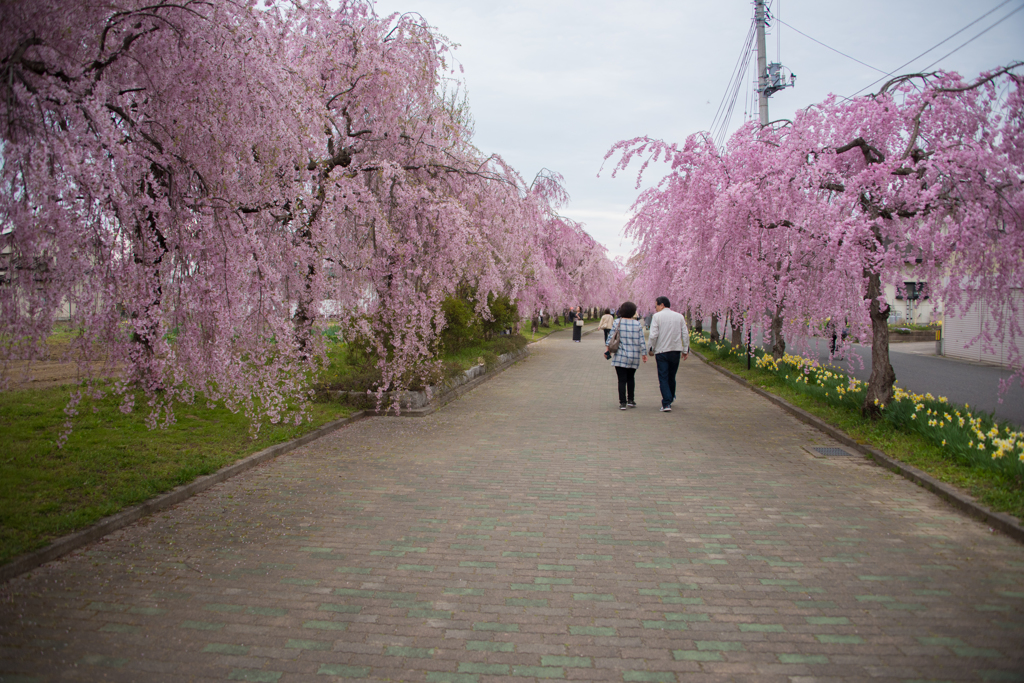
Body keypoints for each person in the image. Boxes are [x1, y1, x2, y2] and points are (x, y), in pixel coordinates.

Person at [648, 296, 689, 412]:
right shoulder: (679, 316)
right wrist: (685, 350)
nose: (655, 308)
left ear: (662, 305)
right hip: (675, 350)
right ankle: (670, 397)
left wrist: (651, 348)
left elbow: (653, 335)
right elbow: (685, 334)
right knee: (672, 376)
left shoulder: (657, 317)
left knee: (663, 377)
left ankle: (666, 403)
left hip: (661, 351)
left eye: (656, 305)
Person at [606, 301, 647, 409]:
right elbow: (641, 340)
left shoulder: (617, 322)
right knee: (631, 378)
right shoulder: (637, 324)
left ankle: (622, 403)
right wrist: (644, 353)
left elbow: (610, 338)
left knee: (621, 379)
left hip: (620, 356)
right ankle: (631, 400)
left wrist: (608, 350)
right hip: (634, 356)